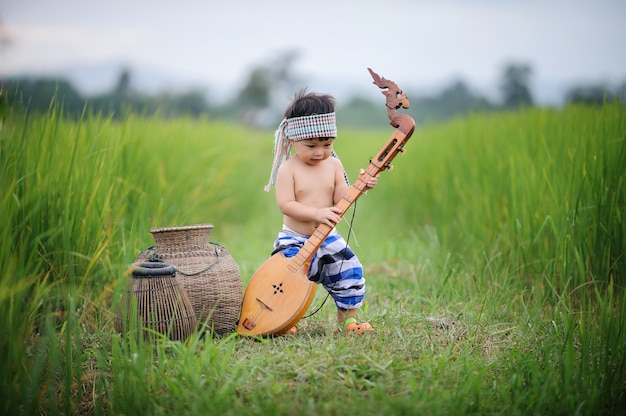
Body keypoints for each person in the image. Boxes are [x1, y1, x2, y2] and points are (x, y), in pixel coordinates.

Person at [264, 89, 378, 335]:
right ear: (293, 140)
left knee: (350, 271)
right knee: (286, 279)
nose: (320, 152)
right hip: (295, 238)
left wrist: (361, 186)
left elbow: (341, 198)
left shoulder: (334, 165)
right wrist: (316, 214)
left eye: (327, 144)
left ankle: (346, 323)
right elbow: (286, 205)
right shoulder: (288, 169)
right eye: (311, 145)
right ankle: (284, 320)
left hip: (328, 238)